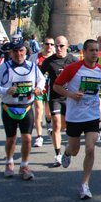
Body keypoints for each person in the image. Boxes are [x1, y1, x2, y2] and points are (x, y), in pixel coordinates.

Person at [52, 39, 101, 199]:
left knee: (90, 148)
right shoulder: (73, 69)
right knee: (75, 150)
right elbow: (56, 86)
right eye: (91, 50)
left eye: (96, 50)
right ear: (84, 52)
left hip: (92, 115)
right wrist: (71, 94)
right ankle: (67, 152)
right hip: (74, 116)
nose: (94, 53)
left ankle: (85, 184)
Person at [0, 40, 46, 180]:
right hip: (8, 107)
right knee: (11, 139)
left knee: (27, 139)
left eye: (21, 50)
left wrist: (38, 89)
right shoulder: (4, 67)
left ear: (25, 51)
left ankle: (24, 165)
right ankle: (9, 163)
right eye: (15, 51)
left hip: (26, 107)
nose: (18, 54)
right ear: (10, 53)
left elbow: (41, 80)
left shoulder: (32, 67)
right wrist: (6, 90)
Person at [41, 36, 77, 167]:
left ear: (67, 46)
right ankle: (58, 155)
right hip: (55, 97)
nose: (58, 48)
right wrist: (38, 87)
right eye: (56, 46)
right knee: (56, 124)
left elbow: (83, 75)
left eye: (61, 46)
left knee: (65, 125)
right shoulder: (49, 61)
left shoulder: (73, 60)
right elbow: (40, 76)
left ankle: (55, 134)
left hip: (69, 97)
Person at [29, 37, 55, 148]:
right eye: (47, 44)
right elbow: (28, 71)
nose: (49, 46)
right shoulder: (35, 57)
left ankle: (48, 122)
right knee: (38, 111)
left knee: (48, 114)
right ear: (42, 45)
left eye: (51, 44)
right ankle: (39, 136)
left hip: (51, 89)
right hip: (38, 89)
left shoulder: (55, 58)